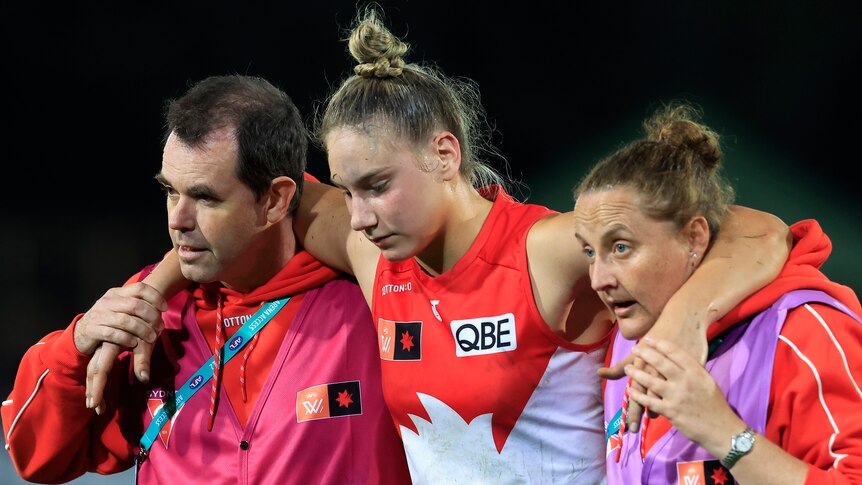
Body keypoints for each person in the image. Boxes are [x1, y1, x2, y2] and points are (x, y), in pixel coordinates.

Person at [287, 8, 792, 484]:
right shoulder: (372, 254)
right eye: (348, 190)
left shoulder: (542, 251)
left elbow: (761, 231)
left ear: (443, 154)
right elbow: (261, 181)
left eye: (377, 186)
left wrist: (684, 323)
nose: (359, 216)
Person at [1, 74, 411, 484]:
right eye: (170, 192)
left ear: (275, 200)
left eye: (205, 197)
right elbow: (38, 457)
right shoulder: (151, 315)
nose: (177, 220)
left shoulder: (371, 297)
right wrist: (75, 346)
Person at [573, 102, 862, 484]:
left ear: (694, 237)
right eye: (590, 252)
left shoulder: (803, 333)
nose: (599, 278)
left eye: (622, 247)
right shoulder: (627, 343)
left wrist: (721, 431)